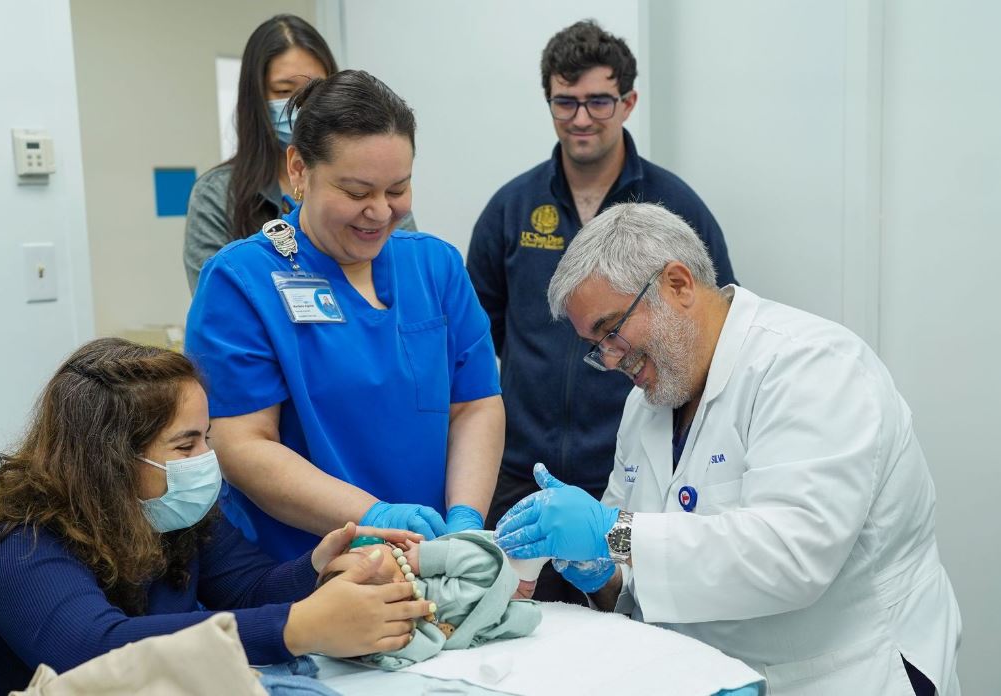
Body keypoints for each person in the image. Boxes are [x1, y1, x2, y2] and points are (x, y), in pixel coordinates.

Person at [494, 203, 961, 695]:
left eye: (612, 331)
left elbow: (791, 557)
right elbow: (637, 573)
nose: (609, 361)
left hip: (839, 672)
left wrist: (612, 535)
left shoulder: (814, 367)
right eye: (596, 345)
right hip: (710, 672)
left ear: (678, 285)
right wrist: (601, 575)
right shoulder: (648, 403)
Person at [0, 338, 436, 696]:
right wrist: (298, 627)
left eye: (206, 438)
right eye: (185, 445)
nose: (206, 460)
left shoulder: (173, 515)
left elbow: (247, 588)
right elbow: (95, 651)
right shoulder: (18, 548)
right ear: (108, 461)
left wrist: (318, 571)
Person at [184, 70, 504, 563]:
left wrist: (464, 519)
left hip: (429, 559)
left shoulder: (434, 267)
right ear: (299, 169)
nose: (379, 212)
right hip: (303, 571)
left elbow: (475, 404)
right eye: (356, 192)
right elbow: (243, 444)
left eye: (397, 189)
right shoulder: (242, 281)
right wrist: (373, 517)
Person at [466, 20, 736, 603]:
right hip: (521, 471)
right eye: (565, 102)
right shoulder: (512, 208)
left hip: (632, 470)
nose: (581, 118)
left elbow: (710, 325)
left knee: (627, 617)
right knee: (509, 628)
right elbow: (476, 334)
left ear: (628, 102)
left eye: (598, 101)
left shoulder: (674, 206)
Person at [183, 14, 418, 293]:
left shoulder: (388, 200)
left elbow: (408, 279)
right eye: (284, 90)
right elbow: (220, 300)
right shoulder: (218, 195)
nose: (300, 104)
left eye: (316, 90)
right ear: (297, 168)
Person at [317, 531, 542, 670]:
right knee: (528, 616)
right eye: (359, 555)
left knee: (527, 616)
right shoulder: (433, 594)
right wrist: (432, 556)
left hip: (492, 604)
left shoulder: (418, 586)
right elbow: (486, 568)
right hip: (491, 599)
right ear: (395, 586)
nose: (361, 545)